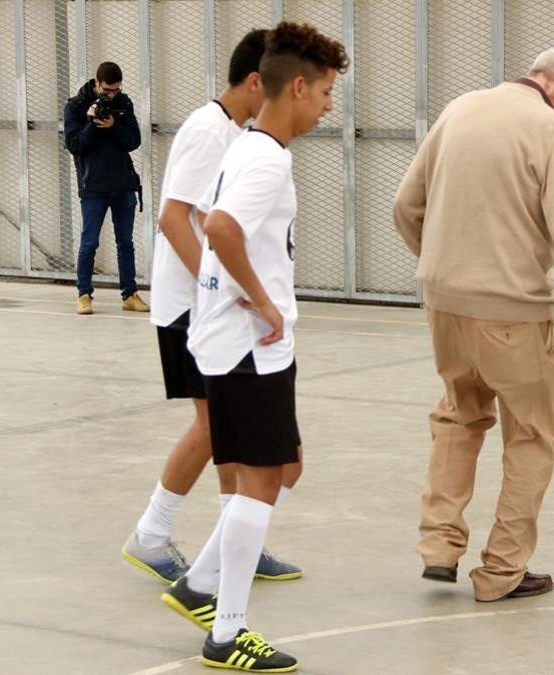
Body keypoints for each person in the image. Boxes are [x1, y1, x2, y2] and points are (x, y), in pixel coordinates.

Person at [393, 46, 554, 602]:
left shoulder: (459, 109)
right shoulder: (551, 132)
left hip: (444, 308)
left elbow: (405, 207)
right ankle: (501, 570)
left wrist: (443, 266)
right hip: (514, 315)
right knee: (533, 434)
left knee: (458, 416)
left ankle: (439, 547)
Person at [157, 21, 347, 672]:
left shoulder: (247, 145)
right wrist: (264, 303)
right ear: (296, 86)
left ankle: (201, 583)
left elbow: (218, 231)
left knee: (285, 464)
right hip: (248, 345)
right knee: (264, 479)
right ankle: (227, 631)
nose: (327, 106)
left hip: (232, 341)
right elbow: (220, 226)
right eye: (325, 92)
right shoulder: (264, 157)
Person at [121, 29, 301, 587]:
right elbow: (173, 217)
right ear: (256, 81)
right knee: (213, 426)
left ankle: (233, 543)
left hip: (210, 304)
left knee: (225, 429)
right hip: (190, 307)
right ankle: (153, 535)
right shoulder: (208, 130)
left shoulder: (239, 134)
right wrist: (217, 285)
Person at [63, 61, 148, 315]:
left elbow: (134, 141)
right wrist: (91, 123)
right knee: (89, 243)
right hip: (93, 186)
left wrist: (114, 126)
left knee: (126, 243)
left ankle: (129, 294)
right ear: (97, 83)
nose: (112, 94)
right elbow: (74, 145)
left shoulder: (124, 103)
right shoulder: (76, 106)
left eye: (116, 90)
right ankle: (84, 295)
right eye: (108, 90)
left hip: (122, 184)